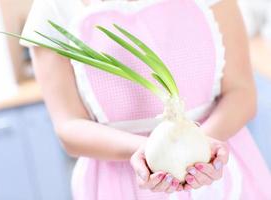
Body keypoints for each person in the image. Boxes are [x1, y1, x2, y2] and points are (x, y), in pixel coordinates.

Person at [20, 0, 271, 199]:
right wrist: (152, 154)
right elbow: (68, 127)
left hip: (217, 164)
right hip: (120, 181)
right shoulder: (52, 8)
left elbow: (242, 92)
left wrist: (199, 149)